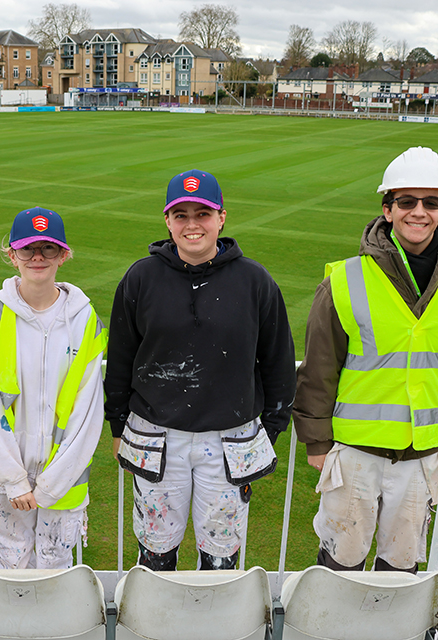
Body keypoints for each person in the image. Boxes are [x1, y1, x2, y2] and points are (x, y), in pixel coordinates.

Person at [293, 147, 438, 573]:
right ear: (387, 210)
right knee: (340, 562)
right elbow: (319, 368)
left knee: (401, 569)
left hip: (424, 455)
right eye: (406, 201)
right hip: (353, 453)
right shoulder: (345, 279)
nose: (418, 212)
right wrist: (317, 441)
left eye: (431, 202)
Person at [104, 169, 296, 571]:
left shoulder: (255, 281)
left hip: (229, 441)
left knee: (221, 558)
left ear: (221, 218)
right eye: (181, 215)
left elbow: (278, 363)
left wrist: (270, 431)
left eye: (203, 214)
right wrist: (118, 426)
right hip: (156, 437)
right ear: (167, 220)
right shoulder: (140, 278)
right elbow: (121, 359)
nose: (192, 225)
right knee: (155, 553)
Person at [0, 207, 106, 570]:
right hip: (4, 477)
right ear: (12, 255)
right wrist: (15, 481)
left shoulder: (85, 320)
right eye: (28, 249)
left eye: (48, 248)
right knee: (12, 566)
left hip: (63, 477)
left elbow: (87, 411)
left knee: (56, 565)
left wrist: (51, 485)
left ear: (64, 255)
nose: (38, 257)